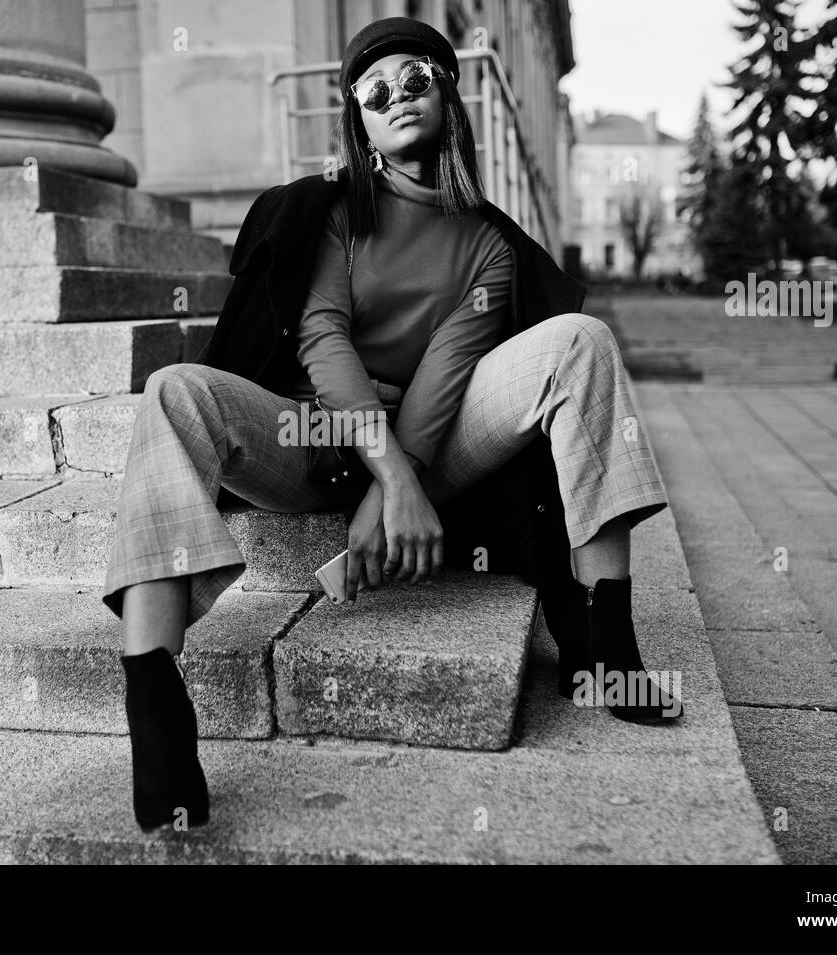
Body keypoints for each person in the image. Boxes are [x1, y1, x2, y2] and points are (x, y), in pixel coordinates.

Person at [102, 17, 681, 834]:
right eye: (376, 93)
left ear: (448, 94)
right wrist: (391, 482)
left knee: (579, 341)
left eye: (418, 80)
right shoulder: (330, 211)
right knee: (173, 391)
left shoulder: (490, 244)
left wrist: (403, 477)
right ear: (361, 123)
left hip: (433, 434)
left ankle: (611, 643)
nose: (398, 97)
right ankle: (157, 710)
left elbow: (447, 377)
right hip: (312, 437)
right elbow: (323, 338)